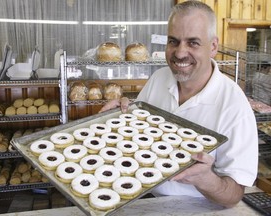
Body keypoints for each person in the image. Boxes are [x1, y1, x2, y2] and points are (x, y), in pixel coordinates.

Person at [99, 1, 258, 208]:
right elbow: (138, 134)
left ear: (213, 47)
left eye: (193, 43)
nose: (180, 53)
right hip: (142, 197)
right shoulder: (159, 78)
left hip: (196, 207)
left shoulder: (234, 105)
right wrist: (120, 117)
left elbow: (233, 195)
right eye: (173, 41)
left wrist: (205, 179)